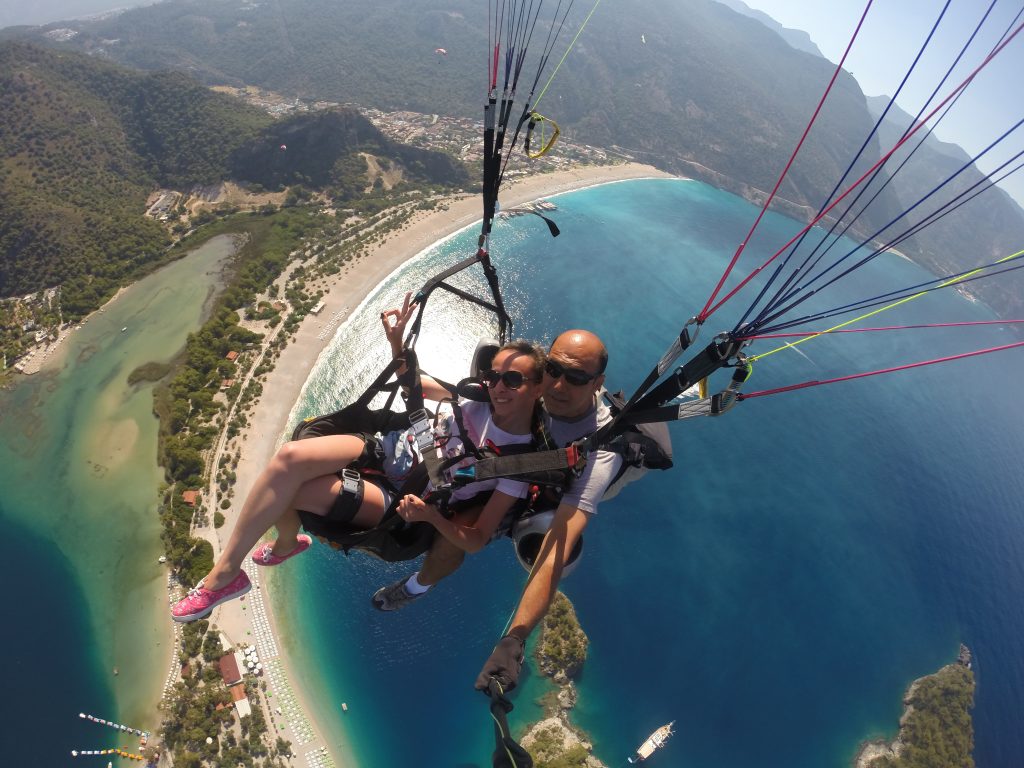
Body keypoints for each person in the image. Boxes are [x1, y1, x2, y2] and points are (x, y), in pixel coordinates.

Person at [170, 295, 547, 623]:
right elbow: (411, 384)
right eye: (493, 376)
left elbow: (478, 538)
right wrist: (397, 341)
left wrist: (431, 516)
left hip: (402, 496)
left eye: (512, 380)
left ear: (537, 388)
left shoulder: (515, 461)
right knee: (287, 459)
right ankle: (268, 554)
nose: (498, 387)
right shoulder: (475, 397)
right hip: (386, 449)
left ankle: (230, 574)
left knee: (292, 491)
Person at [372, 329, 624, 695]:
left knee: (462, 538)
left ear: (597, 383)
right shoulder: (520, 386)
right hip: (497, 469)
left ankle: (417, 586)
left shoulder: (599, 449)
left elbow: (558, 545)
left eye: (577, 378)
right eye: (554, 370)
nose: (559, 385)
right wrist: (400, 351)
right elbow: (434, 389)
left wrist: (515, 639)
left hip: (542, 491)